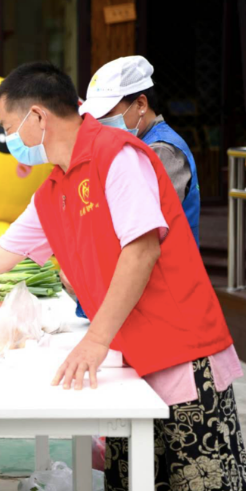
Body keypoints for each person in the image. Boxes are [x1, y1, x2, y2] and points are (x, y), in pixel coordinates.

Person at [0, 63, 246, 491]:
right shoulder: (54, 188)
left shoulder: (118, 156)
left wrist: (95, 339)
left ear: (37, 117)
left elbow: (142, 250)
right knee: (137, 484)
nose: (9, 139)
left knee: (202, 485)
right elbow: (1, 253)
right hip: (129, 355)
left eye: (7, 127)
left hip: (180, 350)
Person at [72, 56, 201, 320]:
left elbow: (139, 227)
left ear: (141, 104)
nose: (101, 123)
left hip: (166, 291)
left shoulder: (163, 151)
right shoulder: (129, 147)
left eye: (108, 114)